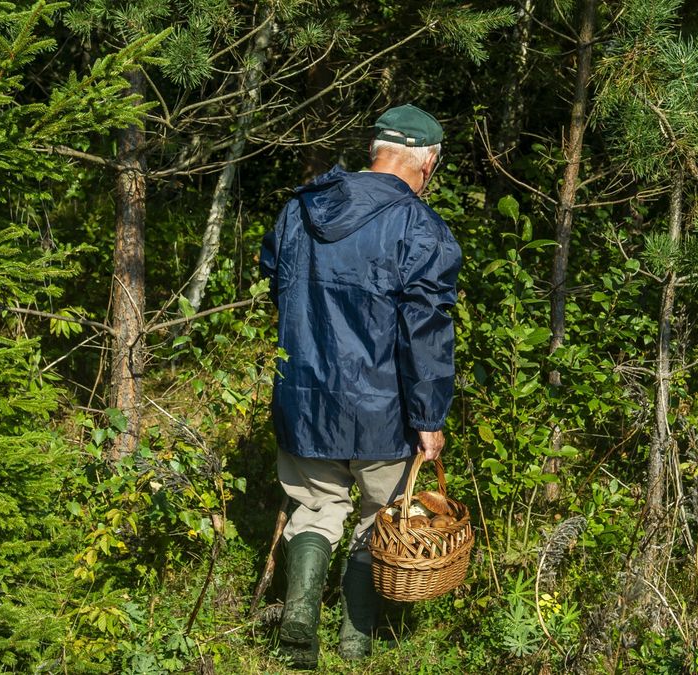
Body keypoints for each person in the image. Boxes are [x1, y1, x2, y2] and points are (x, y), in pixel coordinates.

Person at [258, 103, 461, 669]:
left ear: (376, 151)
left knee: (313, 506)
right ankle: (355, 642)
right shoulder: (419, 227)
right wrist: (429, 416)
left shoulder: (300, 210)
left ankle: (298, 620)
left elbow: (278, 286)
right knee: (383, 517)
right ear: (426, 162)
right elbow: (425, 332)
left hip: (303, 399)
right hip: (384, 412)